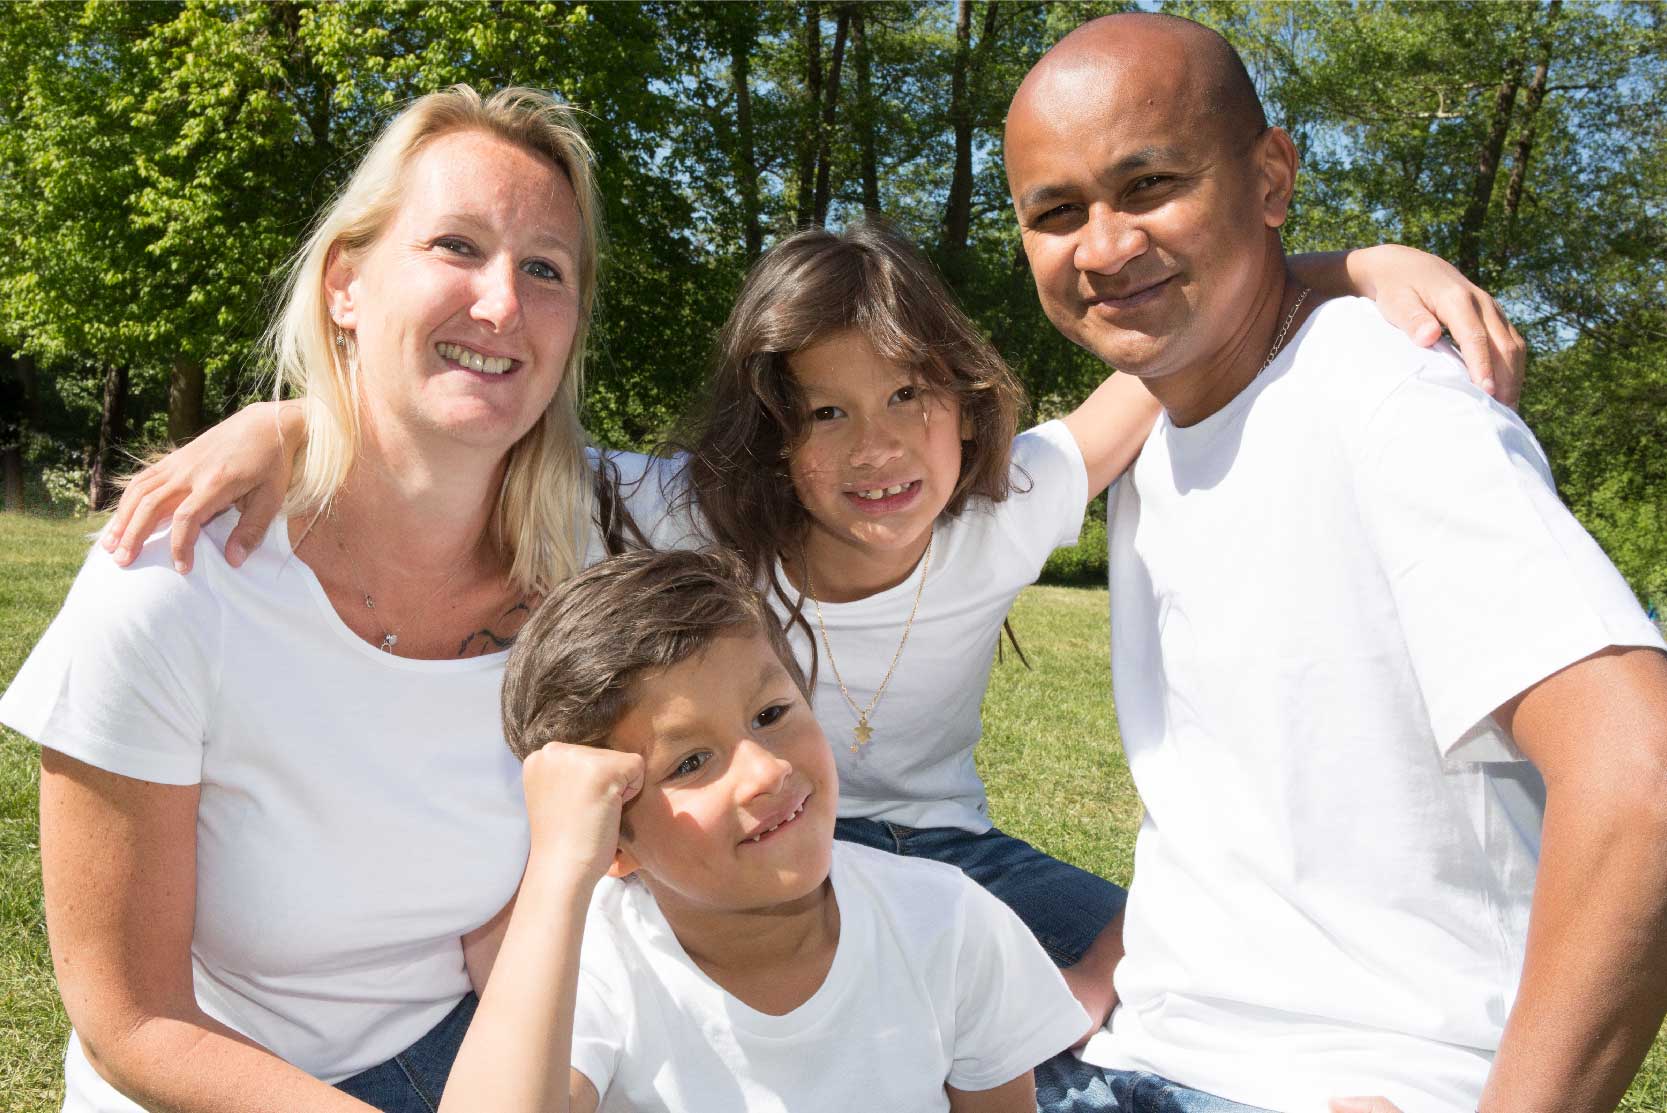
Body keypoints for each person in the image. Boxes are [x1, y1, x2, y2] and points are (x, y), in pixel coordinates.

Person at [103, 220, 1526, 1047]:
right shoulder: (678, 513)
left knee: (1177, 969)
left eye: (909, 395)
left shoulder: (1005, 501)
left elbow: (1162, 352)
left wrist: (1346, 261)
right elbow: (480, 437)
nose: (877, 448)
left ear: (967, 403)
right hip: (730, 833)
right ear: (766, 435)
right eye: (824, 412)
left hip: (945, 850)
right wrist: (287, 421)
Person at [1001, 13, 1667, 1113]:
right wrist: (1098, 975)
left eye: (1150, 184)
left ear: (1269, 176)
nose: (1105, 246)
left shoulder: (1384, 392)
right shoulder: (1161, 433)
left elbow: (1640, 774)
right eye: (1057, 213)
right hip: (1135, 1051)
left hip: (1348, 1084)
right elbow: (1230, 808)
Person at [0, 85, 610, 1112]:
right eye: (456, 246)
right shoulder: (174, 582)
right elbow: (129, 1022)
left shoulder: (586, 564)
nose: (502, 303)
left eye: (543, 268)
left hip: (464, 1051)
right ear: (346, 284)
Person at [438, 545, 1089, 1111]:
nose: (764, 770)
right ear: (611, 840)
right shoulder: (597, 962)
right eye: (690, 761)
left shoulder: (946, 923)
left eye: (771, 712)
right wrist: (556, 871)